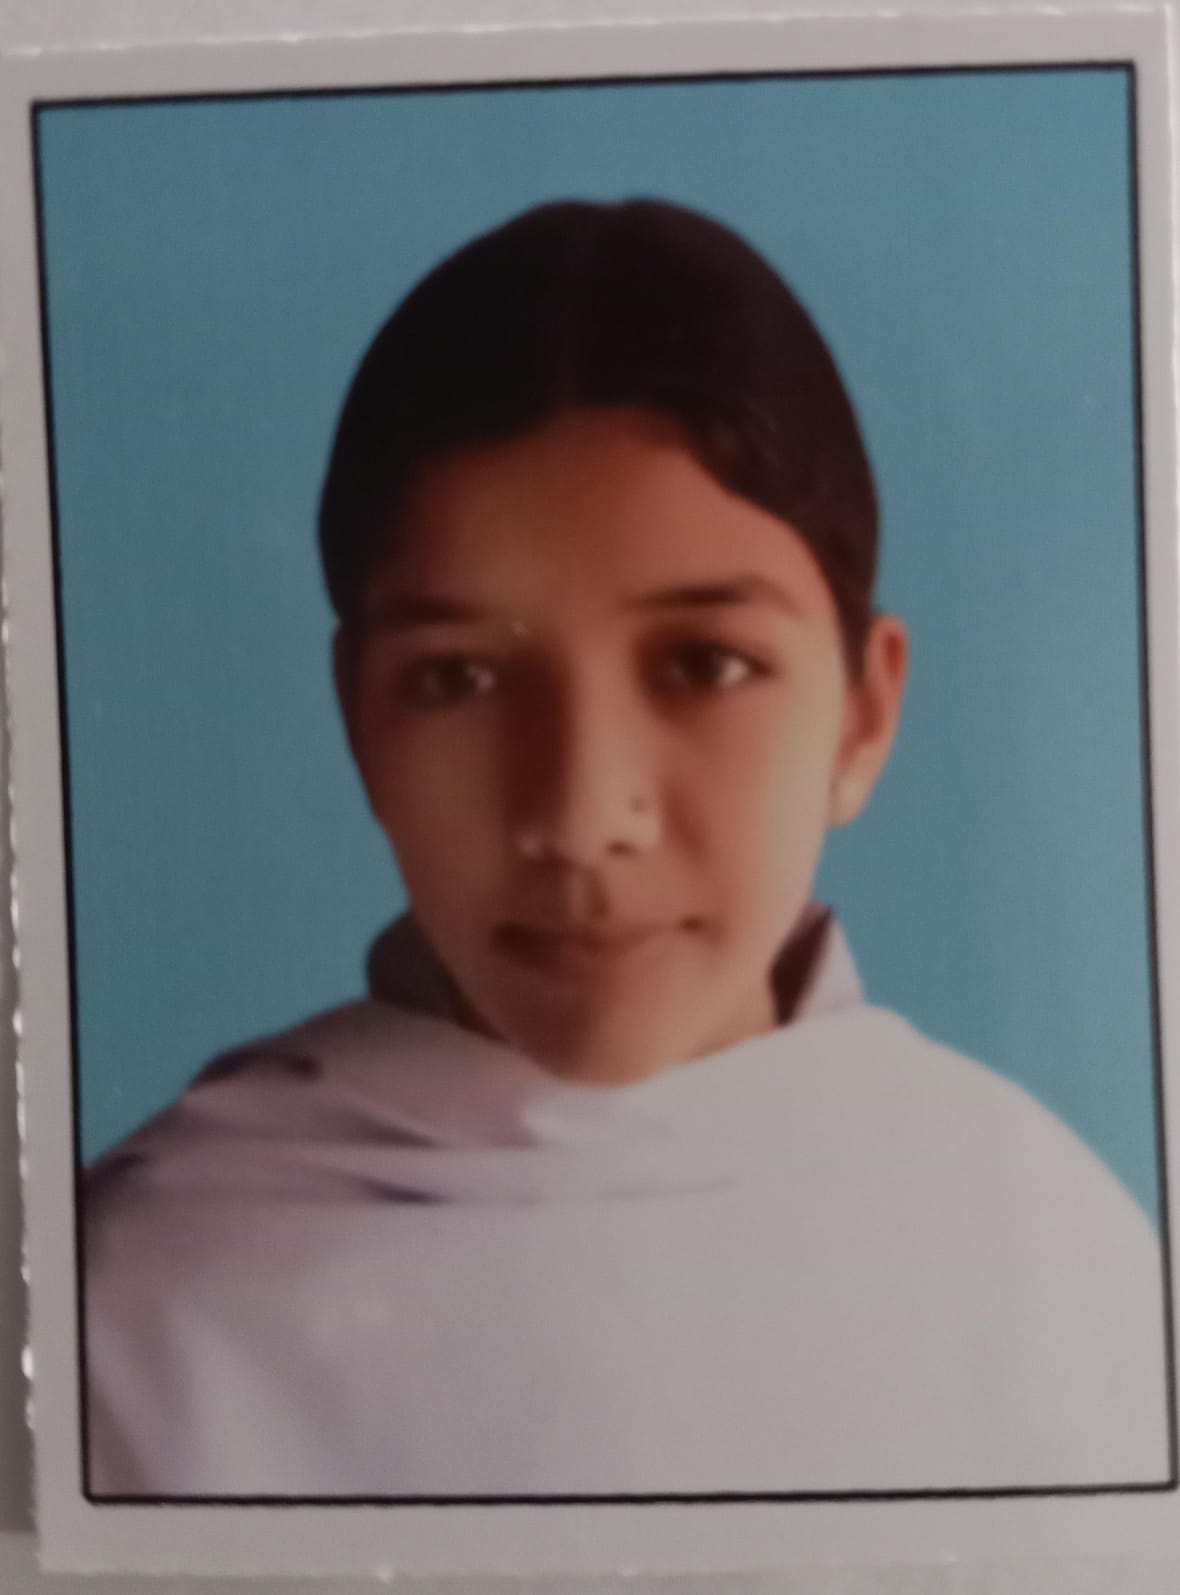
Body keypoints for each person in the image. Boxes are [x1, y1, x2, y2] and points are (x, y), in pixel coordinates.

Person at [83, 198, 1169, 1499]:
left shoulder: (1057, 1272)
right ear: (359, 721)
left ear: (863, 713)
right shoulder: (123, 1313)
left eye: (705, 663)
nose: (583, 814)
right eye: (457, 677)